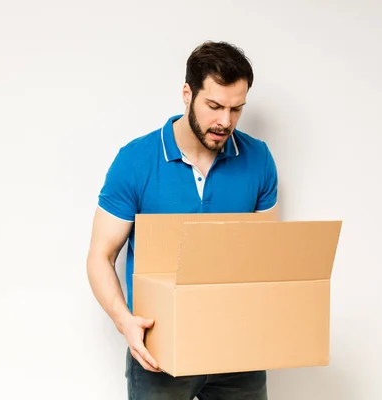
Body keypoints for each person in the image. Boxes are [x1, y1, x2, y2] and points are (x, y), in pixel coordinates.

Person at [86, 40, 279, 400]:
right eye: (214, 106)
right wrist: (123, 320)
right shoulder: (136, 160)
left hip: (239, 352)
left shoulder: (259, 159)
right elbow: (100, 256)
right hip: (160, 353)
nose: (225, 121)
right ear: (187, 94)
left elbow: (265, 259)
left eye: (237, 109)